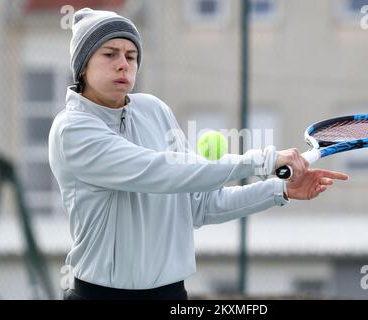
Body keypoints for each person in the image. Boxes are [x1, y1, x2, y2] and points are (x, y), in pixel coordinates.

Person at [48, 8, 349, 300]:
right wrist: (263, 160)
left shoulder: (154, 110)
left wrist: (279, 188)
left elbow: (201, 204)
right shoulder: (72, 130)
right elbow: (160, 172)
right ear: (84, 65)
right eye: (110, 54)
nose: (123, 64)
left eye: (131, 56)